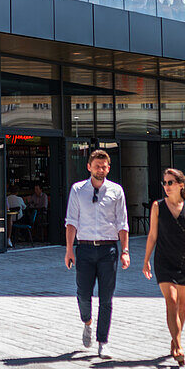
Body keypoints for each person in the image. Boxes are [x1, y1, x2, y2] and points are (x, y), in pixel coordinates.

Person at [65, 150, 130, 358]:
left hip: (108, 249)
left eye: (104, 167)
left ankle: (103, 342)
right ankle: (87, 322)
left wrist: (125, 251)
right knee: (83, 294)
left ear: (108, 168)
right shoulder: (77, 190)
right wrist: (69, 250)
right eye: (97, 166)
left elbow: (122, 223)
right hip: (83, 248)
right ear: (89, 167)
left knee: (106, 298)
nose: (100, 170)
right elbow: (71, 221)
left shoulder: (116, 191)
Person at [142, 168, 185, 367]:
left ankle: (174, 338)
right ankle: (178, 345)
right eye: (165, 183)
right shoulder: (157, 207)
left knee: (182, 306)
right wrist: (146, 261)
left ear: (181, 185)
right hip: (164, 261)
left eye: (170, 183)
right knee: (171, 300)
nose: (166, 187)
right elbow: (152, 235)